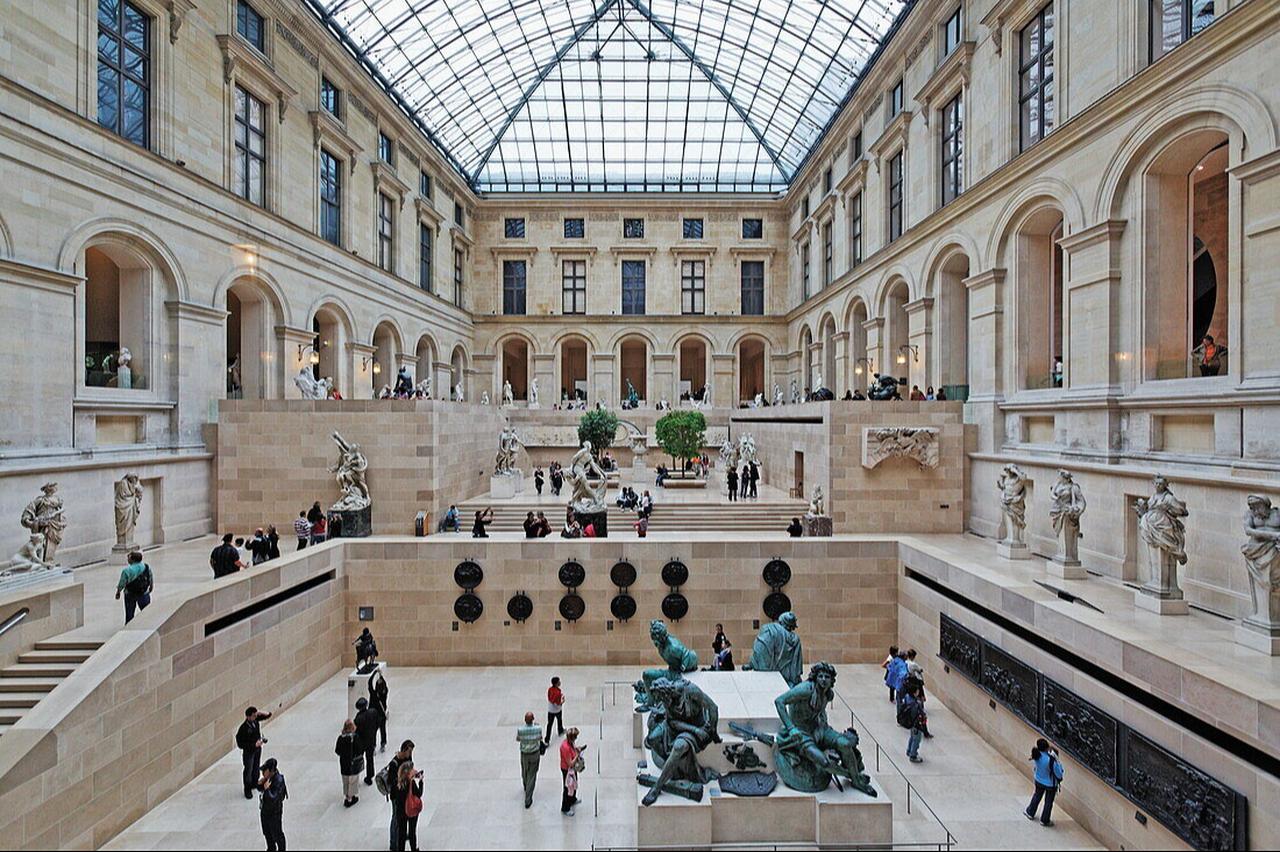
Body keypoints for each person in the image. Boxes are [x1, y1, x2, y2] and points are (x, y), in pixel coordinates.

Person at [1025, 738, 1065, 826]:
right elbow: (1058, 774)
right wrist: (1057, 761)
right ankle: (1044, 820)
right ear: (1046, 748)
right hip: (1050, 785)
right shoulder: (1050, 760)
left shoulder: (1037, 755)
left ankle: (1030, 812)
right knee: (1048, 802)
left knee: (1037, 796)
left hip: (1039, 780)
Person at [236, 706, 273, 799]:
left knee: (256, 767)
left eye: (256, 715)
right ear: (248, 717)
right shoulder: (243, 728)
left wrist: (260, 712)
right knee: (248, 769)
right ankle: (247, 788)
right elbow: (240, 744)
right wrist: (254, 745)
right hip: (249, 752)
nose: (255, 717)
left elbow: (268, 715)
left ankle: (254, 783)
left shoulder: (255, 721)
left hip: (257, 750)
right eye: (253, 715)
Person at [391, 761, 423, 851]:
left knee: (402, 834)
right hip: (411, 810)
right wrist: (421, 782)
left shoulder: (396, 782)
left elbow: (392, 796)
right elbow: (419, 794)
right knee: (412, 832)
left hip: (400, 812)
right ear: (408, 772)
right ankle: (414, 848)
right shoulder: (411, 784)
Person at [258, 757, 287, 852]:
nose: (262, 773)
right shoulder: (268, 779)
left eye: (264, 771)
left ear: (271, 771)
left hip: (274, 814)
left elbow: (273, 798)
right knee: (267, 834)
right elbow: (260, 789)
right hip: (265, 812)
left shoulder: (278, 780)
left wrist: (267, 789)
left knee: (277, 835)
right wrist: (260, 784)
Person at [517, 711, 546, 808]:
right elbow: (540, 738)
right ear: (533, 719)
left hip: (524, 754)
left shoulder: (520, 729)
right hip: (534, 754)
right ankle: (528, 799)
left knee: (525, 771)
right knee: (532, 775)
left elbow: (518, 739)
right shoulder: (538, 728)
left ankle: (526, 786)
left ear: (525, 720)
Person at [115, 550, 153, 623]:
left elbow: (122, 583)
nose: (127, 559)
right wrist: (151, 586)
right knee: (146, 612)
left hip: (130, 593)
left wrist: (118, 592)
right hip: (144, 592)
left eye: (129, 557)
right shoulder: (146, 567)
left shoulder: (127, 570)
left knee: (129, 613)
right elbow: (150, 577)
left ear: (133, 559)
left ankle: (129, 627)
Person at [335, 719, 364, 808]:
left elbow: (337, 750)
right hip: (353, 763)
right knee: (353, 780)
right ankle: (350, 798)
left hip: (344, 763)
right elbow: (359, 749)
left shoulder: (341, 738)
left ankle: (347, 796)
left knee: (345, 780)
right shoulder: (354, 737)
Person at [560, 728, 586, 816]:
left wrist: (577, 750)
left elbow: (573, 750)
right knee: (568, 787)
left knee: (573, 784)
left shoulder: (570, 743)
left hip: (572, 769)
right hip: (567, 770)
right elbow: (570, 763)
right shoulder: (565, 747)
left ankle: (572, 799)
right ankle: (565, 807)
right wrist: (577, 755)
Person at [354, 697, 380, 786]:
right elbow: (377, 723)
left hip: (361, 742)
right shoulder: (373, 712)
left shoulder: (358, 718)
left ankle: (355, 775)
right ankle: (369, 777)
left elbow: (356, 731)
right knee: (370, 759)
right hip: (371, 740)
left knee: (357, 759)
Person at [899, 681, 926, 763]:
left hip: (911, 724)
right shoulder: (915, 704)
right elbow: (917, 715)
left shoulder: (907, 697)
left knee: (912, 737)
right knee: (916, 739)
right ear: (914, 692)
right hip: (916, 724)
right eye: (917, 691)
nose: (918, 692)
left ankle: (909, 751)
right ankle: (913, 755)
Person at [369, 669, 389, 753]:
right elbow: (385, 685)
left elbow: (369, 683)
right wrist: (380, 675)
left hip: (374, 716)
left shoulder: (373, 694)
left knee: (373, 732)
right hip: (381, 715)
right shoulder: (384, 694)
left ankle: (373, 746)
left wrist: (374, 673)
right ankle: (383, 744)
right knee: (382, 729)